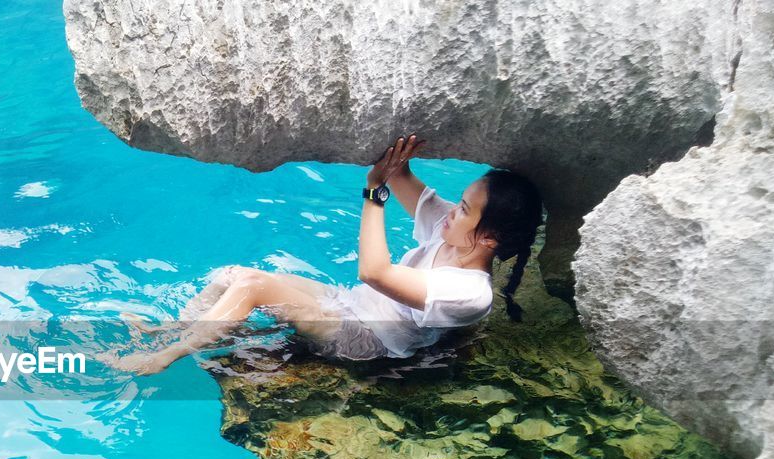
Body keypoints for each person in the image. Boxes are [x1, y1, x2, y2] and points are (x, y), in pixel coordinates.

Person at [108, 134, 545, 375]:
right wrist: (397, 163)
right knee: (232, 274)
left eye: (464, 209)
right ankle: (163, 330)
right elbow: (407, 181)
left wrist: (375, 193)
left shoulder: (469, 293)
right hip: (352, 305)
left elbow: (374, 271)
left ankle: (165, 357)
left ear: (488, 238)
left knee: (255, 287)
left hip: (369, 342)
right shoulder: (453, 234)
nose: (452, 210)